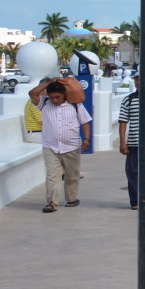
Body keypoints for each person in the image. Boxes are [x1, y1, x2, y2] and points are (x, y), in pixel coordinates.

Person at [35, 80, 91, 213]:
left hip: (72, 146)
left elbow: (85, 122)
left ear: (64, 94)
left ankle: (71, 199)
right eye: (52, 97)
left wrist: (87, 139)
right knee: (52, 175)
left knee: (72, 175)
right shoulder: (44, 103)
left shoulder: (75, 105)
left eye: (57, 97)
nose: (54, 100)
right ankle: (52, 202)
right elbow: (32, 93)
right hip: (50, 146)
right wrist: (49, 82)